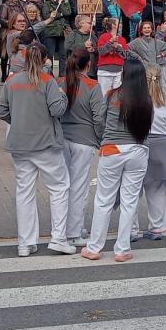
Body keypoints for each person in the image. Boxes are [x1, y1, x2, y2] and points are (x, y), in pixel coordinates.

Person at [0, 41, 71, 257]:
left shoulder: (11, 81)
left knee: (24, 191)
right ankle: (58, 238)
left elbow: (2, 110)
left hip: (20, 143)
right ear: (45, 60)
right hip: (45, 142)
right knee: (58, 188)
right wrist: (63, 94)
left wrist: (18, 121)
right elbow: (57, 109)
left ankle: (25, 242)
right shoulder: (48, 81)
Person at [82, 57, 153, 262]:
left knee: (104, 200)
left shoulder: (112, 95)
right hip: (138, 150)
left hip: (112, 149)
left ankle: (95, 247)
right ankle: (122, 249)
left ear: (123, 73)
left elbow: (100, 121)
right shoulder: (146, 99)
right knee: (130, 202)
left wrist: (101, 140)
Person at [59, 47, 106, 245]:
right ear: (89, 64)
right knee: (78, 187)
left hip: (61, 138)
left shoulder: (59, 82)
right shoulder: (93, 86)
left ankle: (62, 229)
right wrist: (100, 139)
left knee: (61, 187)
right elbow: (99, 118)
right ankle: (74, 232)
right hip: (84, 140)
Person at [135, 71, 166, 241]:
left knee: (133, 190)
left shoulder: (138, 98)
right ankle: (157, 228)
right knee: (158, 191)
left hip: (142, 142)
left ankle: (131, 229)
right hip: (163, 145)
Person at [40, 0, 73, 75]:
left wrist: (61, 3)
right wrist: (61, 14)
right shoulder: (47, 3)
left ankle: (62, 75)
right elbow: (47, 16)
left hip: (62, 32)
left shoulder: (65, 1)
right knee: (50, 54)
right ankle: (49, 75)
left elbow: (68, 12)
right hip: (51, 32)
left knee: (63, 55)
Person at [96, 18, 129, 96]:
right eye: (119, 23)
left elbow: (125, 55)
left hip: (118, 71)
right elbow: (101, 51)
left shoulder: (122, 39)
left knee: (117, 96)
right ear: (114, 25)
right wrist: (110, 42)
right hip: (105, 71)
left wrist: (118, 47)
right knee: (104, 95)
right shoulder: (103, 37)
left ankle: (115, 109)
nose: (121, 25)